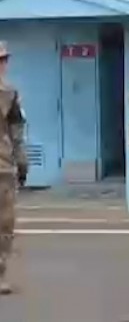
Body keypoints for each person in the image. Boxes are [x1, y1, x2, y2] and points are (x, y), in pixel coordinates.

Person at [0, 42, 27, 296]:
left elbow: (16, 129)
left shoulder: (9, 93)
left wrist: (21, 159)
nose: (2, 65)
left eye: (3, 60)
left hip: (3, 165)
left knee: (5, 222)